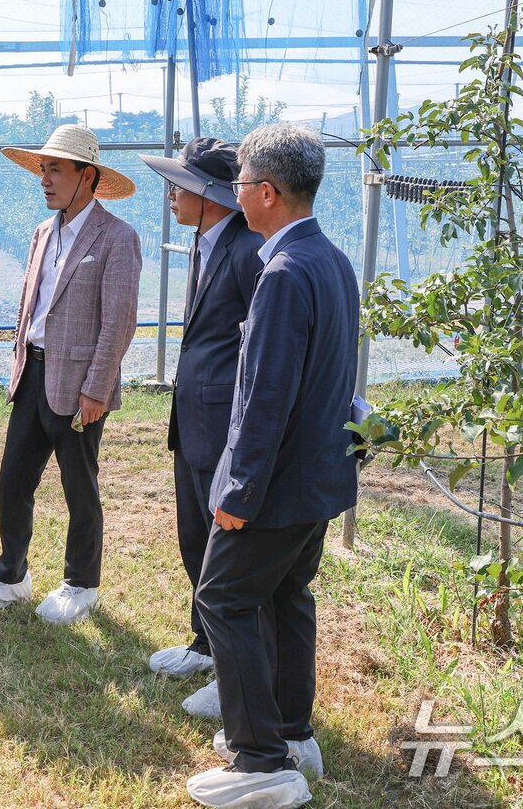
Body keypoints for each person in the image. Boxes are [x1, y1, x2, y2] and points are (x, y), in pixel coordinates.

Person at [186, 124, 359, 809]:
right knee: (287, 596)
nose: (232, 195)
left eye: (237, 184)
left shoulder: (283, 273)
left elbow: (265, 397)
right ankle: (292, 732)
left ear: (265, 192)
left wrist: (237, 490)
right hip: (316, 479)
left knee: (223, 599)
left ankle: (259, 760)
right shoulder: (331, 260)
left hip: (276, 484)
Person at [0, 124, 141, 625]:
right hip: (33, 375)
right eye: (43, 169)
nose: (44, 179)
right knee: (12, 482)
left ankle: (81, 584)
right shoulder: (43, 232)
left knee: (79, 488)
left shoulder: (117, 237)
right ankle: (11, 575)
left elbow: (119, 322)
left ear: (88, 176)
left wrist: (97, 389)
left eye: (55, 169)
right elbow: (32, 305)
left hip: (80, 386)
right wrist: (19, 361)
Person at [137, 137, 264, 706]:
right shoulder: (204, 242)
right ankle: (206, 645)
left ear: (210, 194)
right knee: (195, 537)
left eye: (179, 185)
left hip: (223, 429)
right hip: (193, 423)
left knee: (228, 553)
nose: (170, 194)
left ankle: (236, 673)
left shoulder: (248, 252)